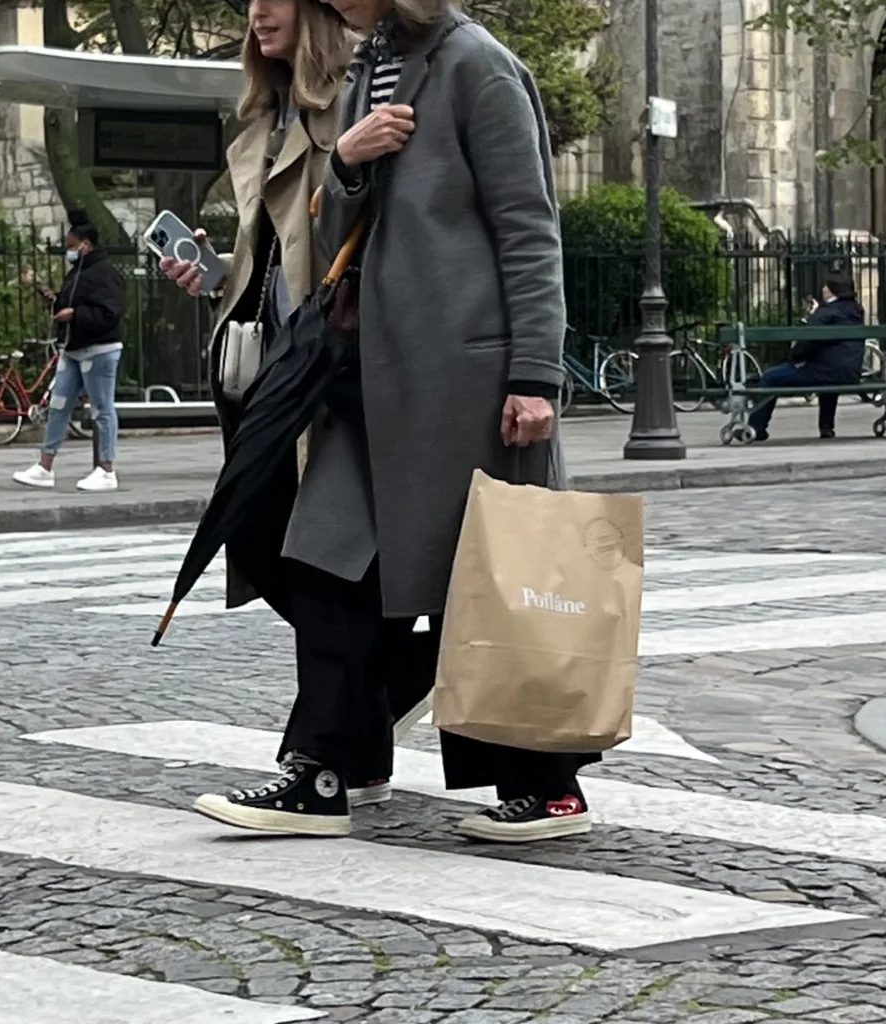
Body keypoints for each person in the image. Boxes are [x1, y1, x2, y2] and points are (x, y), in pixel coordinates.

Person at [193, 0, 599, 844]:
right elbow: (339, 228)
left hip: (465, 380)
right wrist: (344, 163)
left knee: (485, 582)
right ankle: (327, 772)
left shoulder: (476, 64)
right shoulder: (368, 65)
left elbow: (529, 226)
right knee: (325, 566)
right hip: (364, 376)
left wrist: (534, 373)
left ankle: (548, 787)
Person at [162, 1, 420, 804]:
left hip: (340, 380)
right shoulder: (262, 124)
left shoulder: (356, 101)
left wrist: (342, 156)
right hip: (273, 376)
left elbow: (379, 235)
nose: (256, 12)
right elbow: (271, 263)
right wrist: (215, 283)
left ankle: (325, 759)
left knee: (322, 571)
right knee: (273, 557)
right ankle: (366, 729)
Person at [13, 209, 126, 492]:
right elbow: (63, 305)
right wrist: (42, 290)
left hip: (99, 350)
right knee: (58, 406)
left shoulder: (105, 275)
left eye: (71, 247)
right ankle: (45, 465)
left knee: (102, 409)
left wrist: (75, 315)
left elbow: (110, 312)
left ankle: (106, 468)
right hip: (73, 349)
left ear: (85, 244)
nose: (69, 252)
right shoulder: (76, 274)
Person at [748, 272, 865, 442]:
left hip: (823, 371)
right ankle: (826, 427)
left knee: (769, 377)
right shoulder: (857, 310)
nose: (823, 288)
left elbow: (807, 342)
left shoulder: (825, 313)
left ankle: (756, 428)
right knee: (830, 377)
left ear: (831, 290)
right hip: (850, 373)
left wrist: (793, 359)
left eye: (826, 286)